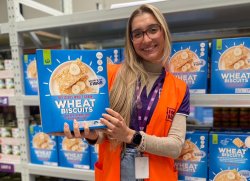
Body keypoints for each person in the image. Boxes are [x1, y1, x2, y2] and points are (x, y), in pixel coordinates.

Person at [63, 3, 189, 181]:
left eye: (152, 30)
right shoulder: (110, 75)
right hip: (114, 173)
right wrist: (91, 135)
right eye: (137, 34)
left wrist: (131, 136)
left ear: (164, 32)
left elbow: (175, 146)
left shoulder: (179, 88)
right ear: (131, 40)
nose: (146, 40)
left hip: (158, 175)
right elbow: (102, 134)